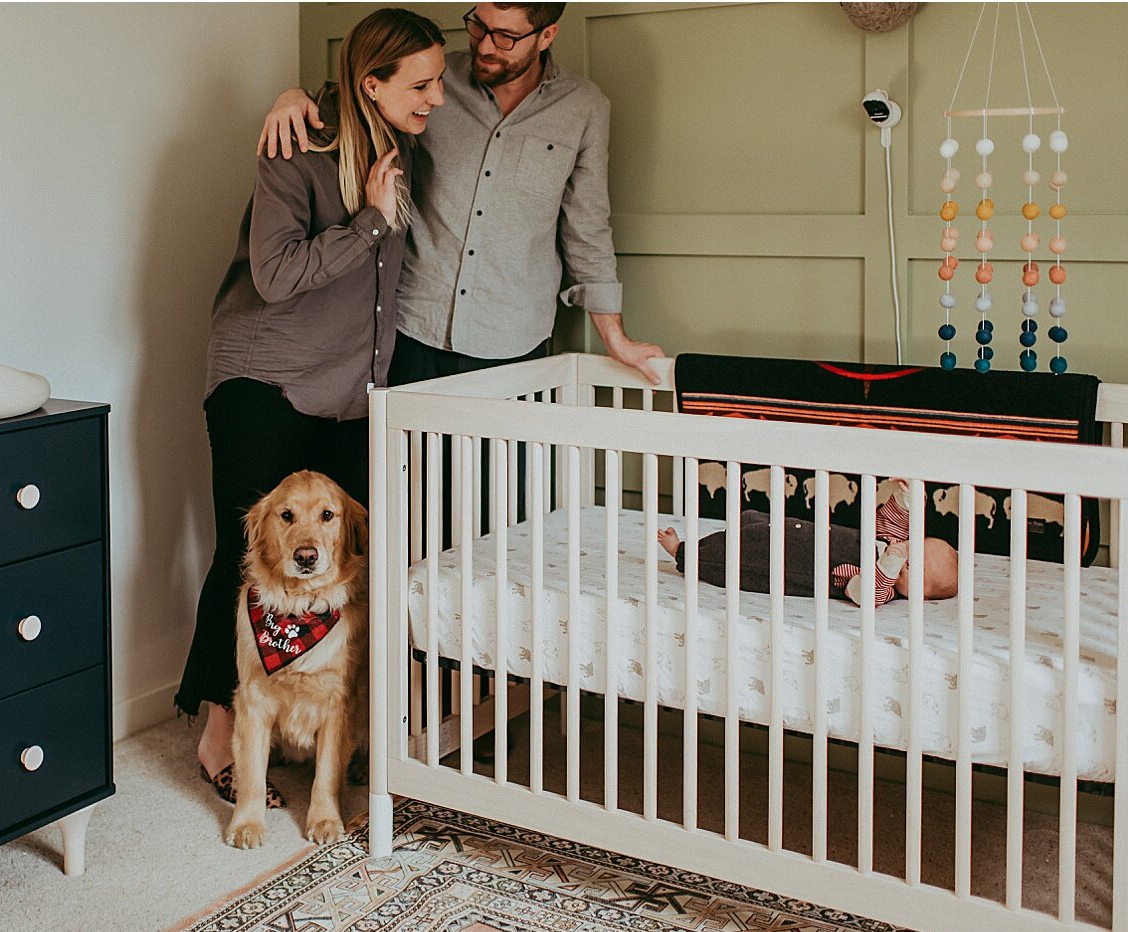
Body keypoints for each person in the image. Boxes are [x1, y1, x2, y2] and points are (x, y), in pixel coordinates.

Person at [177, 9, 447, 807]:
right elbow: (275, 273)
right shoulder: (294, 148)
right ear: (372, 84)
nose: (436, 96)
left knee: (345, 557)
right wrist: (367, 221)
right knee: (252, 559)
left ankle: (323, 720)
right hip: (264, 379)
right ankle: (221, 729)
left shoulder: (404, 143)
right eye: (421, 84)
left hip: (351, 391)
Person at [258, 3, 665, 387]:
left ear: (546, 35)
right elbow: (360, 94)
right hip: (410, 330)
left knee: (509, 466)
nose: (485, 46)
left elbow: (587, 228)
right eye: (479, 25)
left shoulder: (584, 108)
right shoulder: (434, 79)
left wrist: (616, 339)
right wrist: (291, 96)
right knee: (406, 464)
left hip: (514, 343)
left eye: (505, 36)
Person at [657, 482, 960, 606]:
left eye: (915, 569)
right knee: (753, 523)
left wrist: (890, 564)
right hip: (789, 532)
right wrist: (909, 500)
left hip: (780, 561)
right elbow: (891, 522)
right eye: (914, 551)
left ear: (920, 596)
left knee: (731, 556)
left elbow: (861, 591)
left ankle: (682, 551)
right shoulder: (889, 541)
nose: (905, 558)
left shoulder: (883, 588)